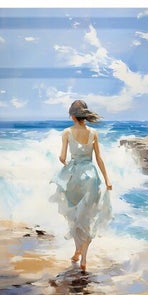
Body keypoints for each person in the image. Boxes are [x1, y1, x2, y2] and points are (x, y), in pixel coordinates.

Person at [52, 99, 113, 270]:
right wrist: (107, 179)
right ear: (84, 115)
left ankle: (78, 250)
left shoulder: (66, 133)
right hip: (91, 177)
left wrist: (67, 162)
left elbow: (63, 158)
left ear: (72, 116)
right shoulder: (93, 133)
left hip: (74, 178)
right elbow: (99, 158)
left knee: (75, 216)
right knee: (87, 218)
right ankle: (83, 257)